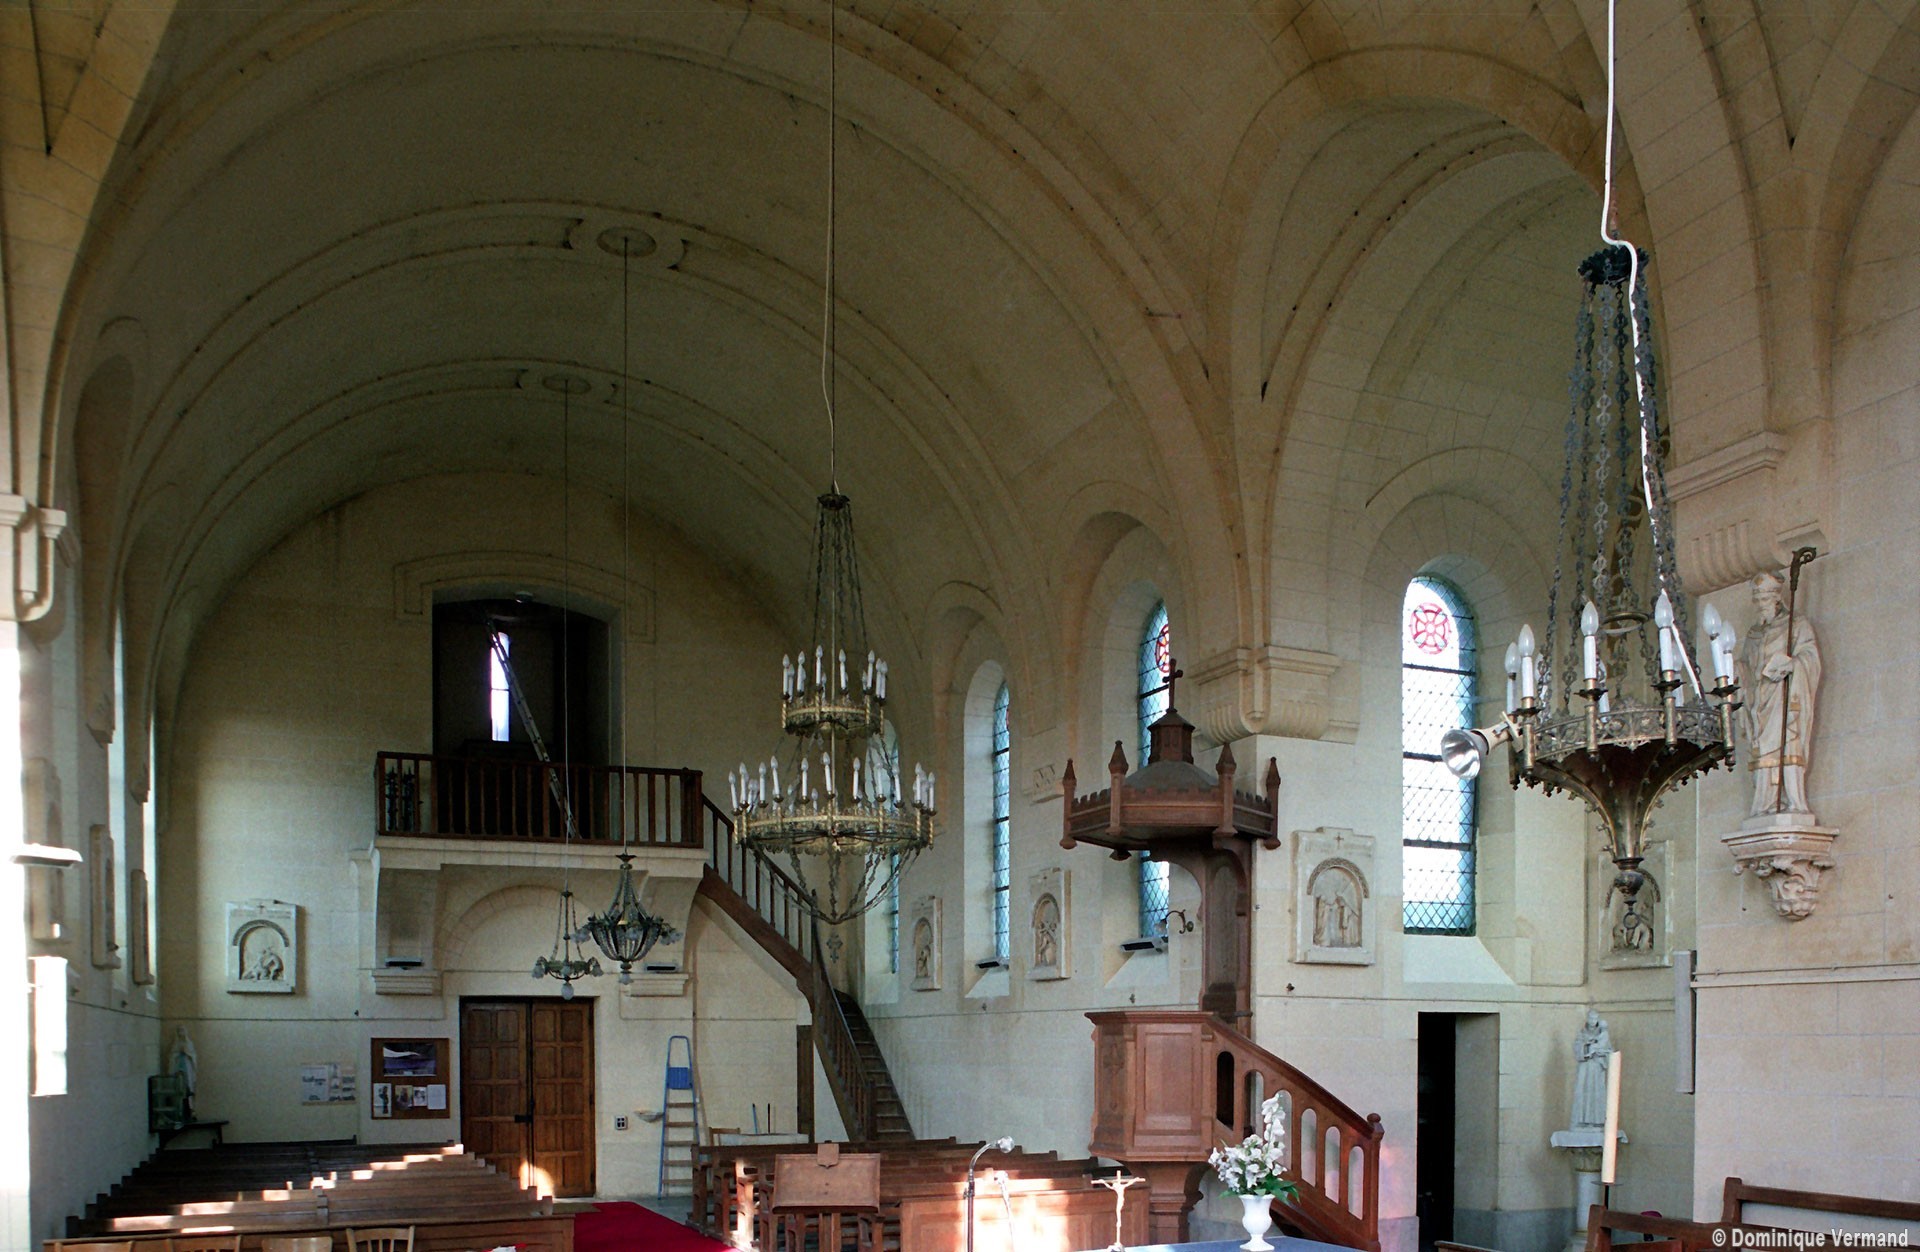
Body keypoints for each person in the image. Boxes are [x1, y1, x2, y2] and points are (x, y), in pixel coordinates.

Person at [1738, 570, 1821, 817]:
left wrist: (1793, 665)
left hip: (1784, 695)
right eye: (1757, 600)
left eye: (1764, 599)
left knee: (1788, 745)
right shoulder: (1754, 633)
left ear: (1776, 598)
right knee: (1762, 749)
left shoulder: (1796, 624)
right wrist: (1734, 669)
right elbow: (1746, 665)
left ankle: (1794, 801)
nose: (1760, 605)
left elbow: (1809, 656)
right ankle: (1763, 804)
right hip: (1759, 700)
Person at [1570, 1010, 1611, 1128]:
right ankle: (1582, 1120)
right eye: (1590, 1018)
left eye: (1595, 1018)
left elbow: (1609, 1051)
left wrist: (1601, 1052)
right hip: (1585, 1067)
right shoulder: (1581, 1033)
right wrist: (1587, 1048)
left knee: (1596, 1093)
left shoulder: (1604, 1034)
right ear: (1587, 1019)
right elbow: (1577, 1048)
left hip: (1597, 1067)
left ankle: (1597, 1121)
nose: (1592, 1021)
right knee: (1583, 1093)